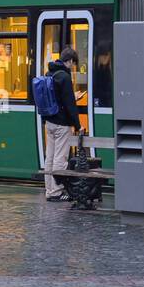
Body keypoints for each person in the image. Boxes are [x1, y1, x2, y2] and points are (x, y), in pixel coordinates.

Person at [41, 46, 82, 202]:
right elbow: (69, 105)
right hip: (61, 124)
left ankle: (49, 190)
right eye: (73, 63)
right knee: (60, 158)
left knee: (50, 157)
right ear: (70, 60)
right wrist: (78, 125)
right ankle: (57, 191)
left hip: (49, 122)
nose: (73, 66)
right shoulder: (64, 77)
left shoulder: (49, 73)